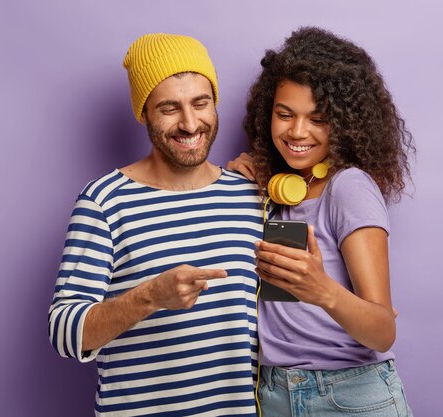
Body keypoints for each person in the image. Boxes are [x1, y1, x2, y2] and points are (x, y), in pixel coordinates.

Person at [48, 33, 263, 417]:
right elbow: (64, 333)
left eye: (201, 102)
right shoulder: (104, 201)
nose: (190, 123)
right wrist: (149, 296)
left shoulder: (251, 194)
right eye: (169, 108)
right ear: (143, 113)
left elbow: (287, 310)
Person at [236, 26, 415, 416]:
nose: (297, 131)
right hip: (276, 394)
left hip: (347, 394)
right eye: (285, 114)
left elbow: (383, 331)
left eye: (317, 118)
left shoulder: (348, 188)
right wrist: (239, 178)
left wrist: (322, 290)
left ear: (345, 123)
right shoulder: (276, 191)